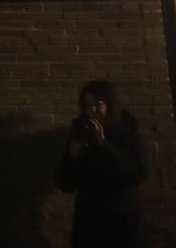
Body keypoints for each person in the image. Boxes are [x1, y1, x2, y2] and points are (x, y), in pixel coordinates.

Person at [54, 79, 148, 247]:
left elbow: (138, 173)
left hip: (121, 219)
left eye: (97, 104)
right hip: (89, 221)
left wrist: (104, 145)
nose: (92, 110)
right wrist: (72, 157)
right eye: (87, 105)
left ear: (109, 104)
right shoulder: (80, 135)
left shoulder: (127, 133)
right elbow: (64, 183)